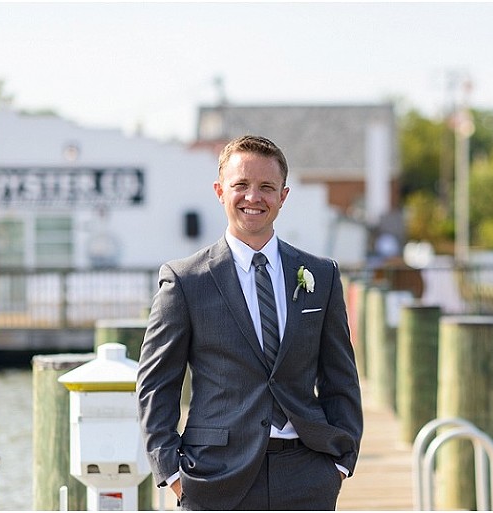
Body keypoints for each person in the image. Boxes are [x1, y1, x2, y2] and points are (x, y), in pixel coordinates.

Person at [137, 135, 363, 510]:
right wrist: (174, 475)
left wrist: (339, 462)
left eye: (266, 187)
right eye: (241, 185)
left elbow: (341, 376)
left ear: (283, 196)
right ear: (220, 191)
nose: (253, 197)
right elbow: (156, 384)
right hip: (214, 476)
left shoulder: (320, 275)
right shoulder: (185, 281)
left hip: (307, 473)